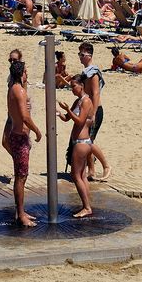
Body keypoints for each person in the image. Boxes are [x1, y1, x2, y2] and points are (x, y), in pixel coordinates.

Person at [7, 60, 43, 226]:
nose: (27, 75)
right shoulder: (19, 91)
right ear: (21, 73)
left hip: (16, 136)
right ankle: (21, 214)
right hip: (19, 137)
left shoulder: (13, 89)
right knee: (21, 177)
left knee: (21, 175)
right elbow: (24, 116)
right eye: (26, 72)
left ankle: (20, 210)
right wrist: (36, 130)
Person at [59, 74, 95, 218]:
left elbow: (79, 121)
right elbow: (67, 119)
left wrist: (68, 110)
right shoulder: (77, 101)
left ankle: (86, 207)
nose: (72, 89)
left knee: (75, 175)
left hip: (82, 142)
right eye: (70, 86)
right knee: (82, 175)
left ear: (81, 85)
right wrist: (59, 113)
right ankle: (87, 205)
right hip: (78, 142)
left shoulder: (86, 101)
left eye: (74, 86)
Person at [77, 43, 111, 181]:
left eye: (82, 55)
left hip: (95, 110)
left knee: (88, 141)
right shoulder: (86, 72)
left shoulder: (94, 73)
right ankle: (91, 171)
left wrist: (93, 113)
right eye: (79, 54)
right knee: (86, 140)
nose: (80, 57)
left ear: (89, 55)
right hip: (88, 110)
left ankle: (106, 166)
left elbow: (96, 94)